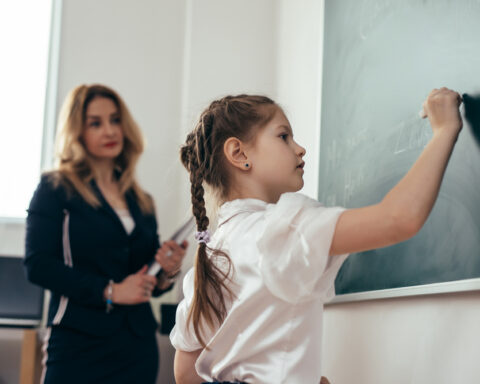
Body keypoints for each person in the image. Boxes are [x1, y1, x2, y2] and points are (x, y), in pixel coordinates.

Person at [169, 89, 463, 383]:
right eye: (283, 136)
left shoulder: (210, 256)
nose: (300, 149)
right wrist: (444, 130)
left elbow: (185, 373)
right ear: (239, 154)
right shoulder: (280, 229)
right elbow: (399, 219)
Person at [24, 84, 187, 384]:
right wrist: (110, 290)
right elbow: (38, 265)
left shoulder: (141, 200)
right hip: (78, 342)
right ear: (77, 132)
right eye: (95, 123)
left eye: (115, 120)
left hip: (136, 346)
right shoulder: (55, 189)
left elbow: (144, 278)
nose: (110, 130)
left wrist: (166, 271)